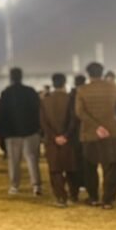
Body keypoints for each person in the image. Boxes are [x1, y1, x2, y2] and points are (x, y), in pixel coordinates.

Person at [75, 61, 116, 209]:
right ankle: (108, 200)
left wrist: (96, 126)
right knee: (111, 166)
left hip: (90, 133)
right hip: (112, 131)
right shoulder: (114, 87)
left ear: (88, 74)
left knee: (90, 166)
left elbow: (79, 112)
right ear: (102, 72)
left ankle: (93, 197)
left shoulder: (82, 90)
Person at [0, 67, 42, 196]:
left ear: (11, 77)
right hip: (31, 130)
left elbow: (1, 113)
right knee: (32, 159)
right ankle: (36, 185)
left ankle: (14, 186)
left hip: (12, 132)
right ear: (21, 76)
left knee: (14, 161)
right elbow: (38, 110)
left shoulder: (6, 93)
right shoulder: (30, 91)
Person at [39, 73, 79, 207]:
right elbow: (73, 120)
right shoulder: (71, 99)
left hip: (52, 140)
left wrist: (54, 136)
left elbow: (43, 122)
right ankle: (73, 195)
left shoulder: (45, 101)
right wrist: (66, 135)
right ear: (64, 83)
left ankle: (61, 197)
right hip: (69, 139)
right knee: (71, 168)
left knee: (55, 169)